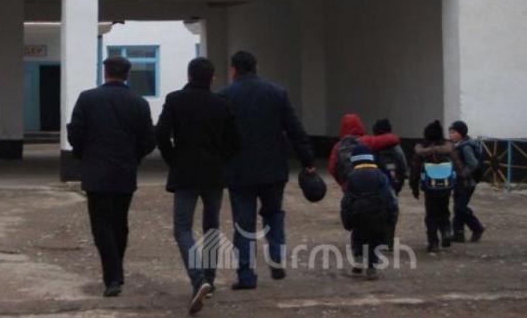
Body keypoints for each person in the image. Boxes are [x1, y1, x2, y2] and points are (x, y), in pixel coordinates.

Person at [216, 51, 316, 291]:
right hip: (273, 169)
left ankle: (246, 276)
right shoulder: (276, 93)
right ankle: (276, 258)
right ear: (256, 67)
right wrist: (308, 160)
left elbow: (218, 135)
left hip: (239, 171)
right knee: (273, 214)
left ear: (233, 70)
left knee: (243, 224)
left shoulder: (224, 96)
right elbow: (294, 129)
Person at [68, 55, 157, 298]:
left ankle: (113, 276)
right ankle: (117, 270)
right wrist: (133, 157)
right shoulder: (139, 103)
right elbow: (149, 140)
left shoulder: (88, 99)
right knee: (120, 222)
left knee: (101, 224)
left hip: (96, 172)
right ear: (127, 75)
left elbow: (75, 133)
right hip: (124, 172)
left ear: (105, 72)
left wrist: (85, 155)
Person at [156, 58, 238, 315]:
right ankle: (209, 281)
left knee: (182, 228)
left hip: (185, 172)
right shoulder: (222, 104)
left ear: (189, 75)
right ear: (212, 78)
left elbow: (161, 134)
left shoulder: (175, 100)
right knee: (211, 226)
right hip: (214, 174)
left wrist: (173, 159)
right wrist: (221, 160)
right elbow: (234, 140)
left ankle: (197, 278)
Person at [340, 145, 398, 279]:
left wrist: (346, 219)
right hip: (377, 214)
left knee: (358, 238)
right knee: (374, 240)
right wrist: (392, 216)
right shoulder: (380, 175)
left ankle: (358, 260)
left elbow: (347, 200)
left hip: (358, 215)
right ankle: (371, 267)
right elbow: (389, 198)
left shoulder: (352, 176)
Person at [410, 120, 464, 252]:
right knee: (444, 211)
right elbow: (458, 166)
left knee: (431, 214)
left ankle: (433, 242)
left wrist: (414, 188)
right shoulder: (448, 149)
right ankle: (446, 232)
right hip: (445, 187)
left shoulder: (422, 152)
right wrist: (460, 183)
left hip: (429, 188)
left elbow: (414, 171)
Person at [328, 114, 401, 189]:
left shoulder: (337, 146)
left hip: (348, 185)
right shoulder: (366, 140)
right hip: (366, 182)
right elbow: (390, 139)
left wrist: (343, 183)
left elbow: (331, 168)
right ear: (359, 125)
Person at [371, 119, 408, 248]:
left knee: (376, 211)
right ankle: (388, 241)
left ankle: (377, 239)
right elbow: (403, 166)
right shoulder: (396, 146)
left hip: (377, 184)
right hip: (392, 184)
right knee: (391, 211)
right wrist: (399, 182)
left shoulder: (373, 146)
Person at [449, 120, 485, 243]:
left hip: (467, 183)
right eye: (450, 132)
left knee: (460, 207)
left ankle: (477, 228)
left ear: (461, 134)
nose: (451, 135)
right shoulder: (457, 145)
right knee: (457, 207)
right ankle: (458, 233)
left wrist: (463, 174)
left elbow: (473, 163)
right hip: (458, 182)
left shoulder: (466, 146)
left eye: (454, 132)